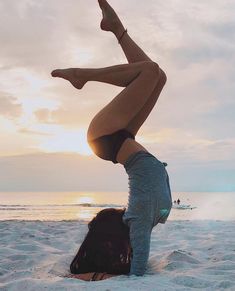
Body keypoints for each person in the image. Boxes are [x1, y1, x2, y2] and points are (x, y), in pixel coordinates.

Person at [51, 0, 172, 280]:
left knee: (149, 71)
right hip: (119, 138)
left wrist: (109, 276)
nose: (119, 211)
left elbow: (138, 270)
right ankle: (117, 31)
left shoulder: (137, 219)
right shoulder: (142, 221)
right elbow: (138, 267)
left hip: (105, 136)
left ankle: (82, 75)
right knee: (158, 75)